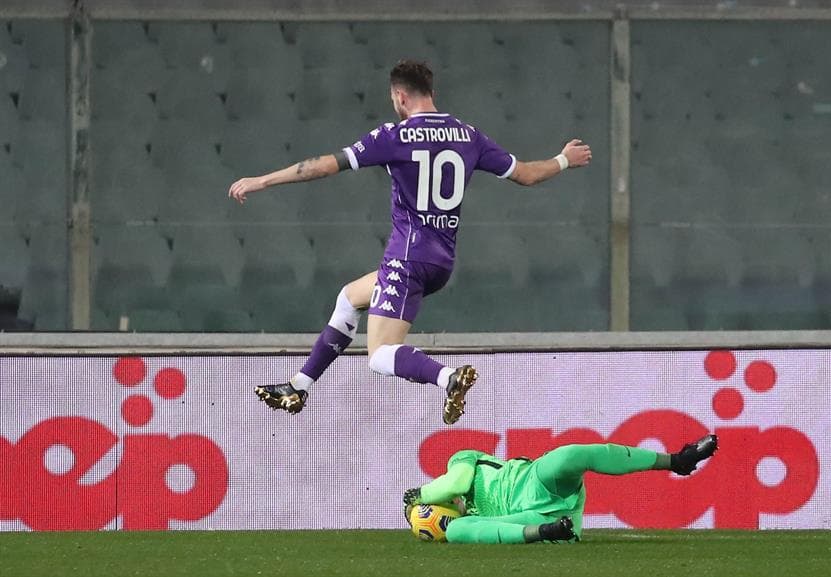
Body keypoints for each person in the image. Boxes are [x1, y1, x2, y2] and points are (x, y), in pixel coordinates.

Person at [227, 60, 592, 424]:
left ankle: (448, 378)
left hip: (406, 258)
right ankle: (298, 386)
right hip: (441, 261)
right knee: (350, 298)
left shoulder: (394, 136)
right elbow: (526, 174)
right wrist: (563, 159)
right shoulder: (468, 135)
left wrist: (263, 181)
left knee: (379, 355)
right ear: (431, 92)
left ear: (400, 97)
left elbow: (324, 165)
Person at [403, 434, 719, 544]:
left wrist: (419, 496)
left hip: (534, 482)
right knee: (457, 532)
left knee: (570, 456)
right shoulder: (468, 519)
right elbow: (459, 520)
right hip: (532, 519)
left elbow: (456, 482)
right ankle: (545, 533)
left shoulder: (462, 459)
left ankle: (677, 460)